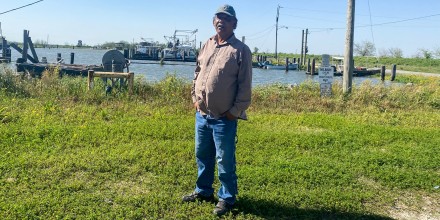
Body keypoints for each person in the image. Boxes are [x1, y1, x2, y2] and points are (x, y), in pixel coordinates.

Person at [182, 4, 252, 217]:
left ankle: (227, 197)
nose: (221, 20)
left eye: (226, 18)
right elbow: (197, 71)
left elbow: (245, 86)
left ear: (234, 24)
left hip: (224, 117)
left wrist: (234, 111)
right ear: (214, 21)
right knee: (202, 154)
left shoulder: (241, 50)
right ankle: (203, 191)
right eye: (218, 17)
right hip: (202, 115)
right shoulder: (207, 44)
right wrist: (195, 98)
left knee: (225, 159)